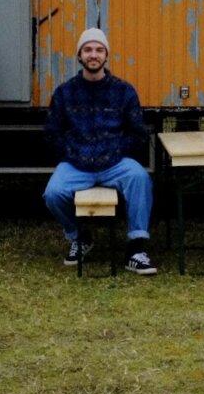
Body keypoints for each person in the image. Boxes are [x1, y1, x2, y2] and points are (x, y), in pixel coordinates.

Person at [42, 28, 157, 275]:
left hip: (114, 162)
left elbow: (138, 132)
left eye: (99, 50)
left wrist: (115, 151)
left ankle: (136, 249)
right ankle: (80, 237)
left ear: (106, 55)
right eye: (87, 50)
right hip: (76, 163)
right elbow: (52, 133)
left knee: (140, 178)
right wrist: (73, 153)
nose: (93, 55)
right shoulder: (64, 92)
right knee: (53, 193)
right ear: (79, 55)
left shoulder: (124, 91)